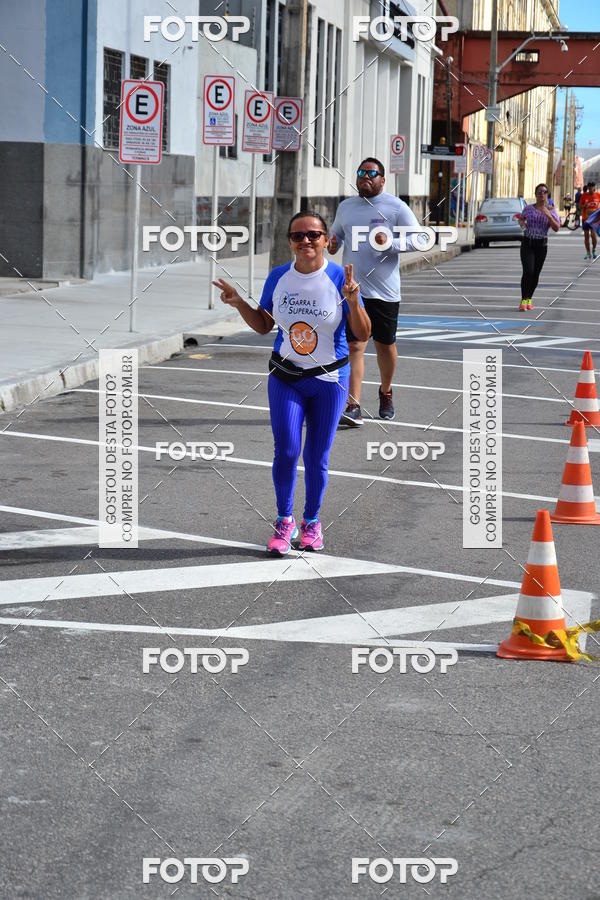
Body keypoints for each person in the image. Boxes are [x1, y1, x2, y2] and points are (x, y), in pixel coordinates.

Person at [212, 212, 370, 555]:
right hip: (285, 376)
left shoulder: (340, 278)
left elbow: (362, 333)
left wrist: (354, 300)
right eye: (298, 236)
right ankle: (284, 521)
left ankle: (311, 522)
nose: (306, 242)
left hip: (330, 379)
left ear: (327, 240)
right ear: (290, 242)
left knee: (317, 457)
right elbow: (262, 324)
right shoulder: (279, 277)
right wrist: (239, 302)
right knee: (285, 451)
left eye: (314, 235)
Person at [328, 157, 424, 426]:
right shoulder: (346, 207)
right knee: (355, 345)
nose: (365, 177)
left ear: (383, 179)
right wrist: (332, 244)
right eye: (361, 172)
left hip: (385, 292)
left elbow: (420, 239)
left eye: (371, 173)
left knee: (385, 346)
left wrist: (390, 242)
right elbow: (335, 238)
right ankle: (353, 404)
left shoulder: (396, 207)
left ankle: (385, 391)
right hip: (353, 290)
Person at [517, 183, 560, 311]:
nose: (542, 194)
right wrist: (522, 223)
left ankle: (529, 298)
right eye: (539, 192)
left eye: (544, 192)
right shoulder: (528, 208)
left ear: (547, 195)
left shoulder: (551, 210)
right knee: (528, 271)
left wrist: (548, 215)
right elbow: (521, 219)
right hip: (528, 243)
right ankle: (523, 299)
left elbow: (556, 228)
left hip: (541, 245)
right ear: (535, 195)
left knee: (536, 274)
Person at [580, 181, 600, 259]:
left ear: (594, 187)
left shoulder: (598, 195)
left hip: (594, 219)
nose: (591, 189)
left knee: (593, 236)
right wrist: (584, 205)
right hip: (585, 218)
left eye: (592, 187)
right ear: (588, 188)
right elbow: (580, 206)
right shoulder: (584, 196)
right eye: (590, 187)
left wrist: (597, 211)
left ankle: (594, 250)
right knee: (586, 236)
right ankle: (588, 253)